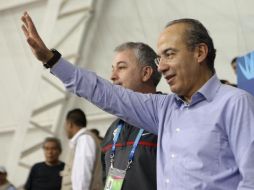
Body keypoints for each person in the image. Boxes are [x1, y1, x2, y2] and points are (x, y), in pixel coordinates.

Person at [21, 12, 254, 190]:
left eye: (169, 54)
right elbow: (103, 92)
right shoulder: (164, 110)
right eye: (160, 57)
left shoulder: (236, 104)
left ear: (200, 53)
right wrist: (52, 60)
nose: (161, 66)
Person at [101, 42, 160, 190]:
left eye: (121, 67)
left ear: (146, 73)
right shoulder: (114, 128)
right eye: (113, 69)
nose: (112, 76)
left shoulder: (166, 119)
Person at [61, 109, 103, 190]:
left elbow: (82, 174)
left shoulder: (84, 139)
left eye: (65, 124)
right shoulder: (83, 139)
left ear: (70, 124)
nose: (65, 129)